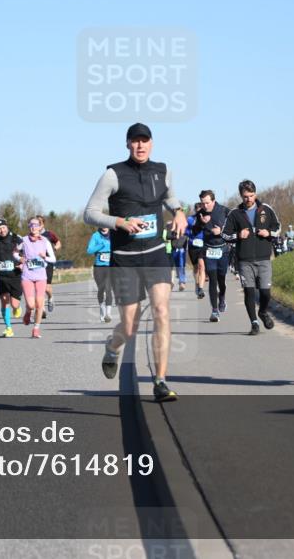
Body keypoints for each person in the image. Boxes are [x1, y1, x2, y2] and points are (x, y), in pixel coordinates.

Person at [84, 122, 188, 403]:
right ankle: (112, 346)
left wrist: (179, 212)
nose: (140, 146)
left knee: (161, 312)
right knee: (129, 328)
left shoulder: (162, 170)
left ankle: (161, 381)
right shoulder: (113, 174)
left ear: (152, 143)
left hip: (155, 255)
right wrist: (119, 222)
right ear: (128, 144)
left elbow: (170, 197)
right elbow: (90, 213)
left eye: (145, 141)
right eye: (135, 141)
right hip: (126, 260)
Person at [222, 180, 280, 335]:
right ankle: (254, 323)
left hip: (264, 259)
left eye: (251, 195)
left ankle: (262, 312)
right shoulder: (235, 214)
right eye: (245, 196)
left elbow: (277, 227)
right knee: (249, 292)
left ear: (256, 193)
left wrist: (269, 233)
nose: (249, 199)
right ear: (241, 196)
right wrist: (238, 235)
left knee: (265, 293)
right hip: (245, 260)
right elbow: (224, 234)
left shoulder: (265, 210)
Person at [19, 215, 56, 338]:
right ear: (29, 227)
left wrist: (45, 257)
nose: (33, 227)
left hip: (41, 276)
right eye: (31, 225)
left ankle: (36, 329)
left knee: (40, 304)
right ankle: (28, 312)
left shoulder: (45, 241)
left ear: (40, 227)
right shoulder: (23, 240)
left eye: (36, 225)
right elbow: (14, 252)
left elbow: (53, 259)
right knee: (31, 304)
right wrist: (19, 258)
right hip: (27, 276)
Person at [0, 218, 24, 337]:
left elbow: (25, 249)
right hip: (1, 276)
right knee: (4, 301)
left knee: (14, 304)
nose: (2, 230)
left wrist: (22, 262)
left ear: (7, 226)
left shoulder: (15, 237)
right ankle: (8, 328)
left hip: (15, 274)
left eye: (3, 228)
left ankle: (17, 308)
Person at [198, 189, 230, 322]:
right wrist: (201, 223)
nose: (205, 206)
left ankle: (222, 298)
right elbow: (194, 230)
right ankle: (214, 311)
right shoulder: (200, 213)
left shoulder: (224, 210)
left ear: (213, 201)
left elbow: (234, 226)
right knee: (212, 279)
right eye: (203, 203)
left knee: (221, 281)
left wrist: (221, 231)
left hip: (223, 249)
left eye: (207, 203)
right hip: (209, 250)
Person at [86, 226, 115, 322]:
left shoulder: (113, 234)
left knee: (108, 289)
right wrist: (101, 246)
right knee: (101, 289)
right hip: (99, 267)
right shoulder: (96, 236)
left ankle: (108, 314)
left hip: (110, 267)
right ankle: (102, 308)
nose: (104, 226)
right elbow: (89, 250)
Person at [40, 219, 63, 314]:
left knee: (47, 288)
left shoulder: (49, 234)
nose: (37, 225)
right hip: (37, 264)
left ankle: (50, 298)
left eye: (39, 223)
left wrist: (54, 248)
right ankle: (42, 309)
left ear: (43, 224)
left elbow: (58, 243)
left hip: (48, 263)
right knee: (39, 286)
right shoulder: (32, 235)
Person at [186, 203, 207, 298]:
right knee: (196, 268)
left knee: (202, 266)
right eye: (198, 209)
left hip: (202, 245)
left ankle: (201, 289)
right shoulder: (190, 219)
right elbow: (186, 231)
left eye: (201, 209)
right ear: (195, 210)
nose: (200, 211)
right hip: (192, 246)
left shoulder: (207, 218)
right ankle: (197, 284)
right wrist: (190, 233)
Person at [168, 220, 188, 291]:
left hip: (182, 249)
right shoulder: (171, 227)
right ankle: (172, 282)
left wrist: (182, 235)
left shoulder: (185, 226)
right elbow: (168, 236)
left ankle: (182, 282)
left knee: (181, 265)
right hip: (173, 249)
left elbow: (187, 235)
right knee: (173, 266)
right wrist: (175, 234)